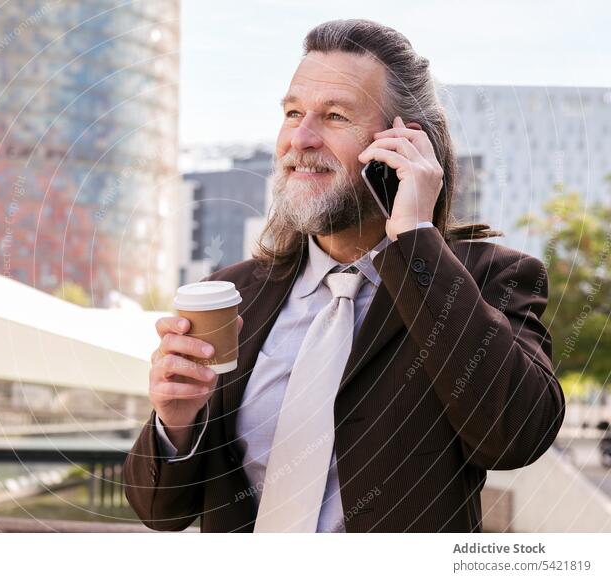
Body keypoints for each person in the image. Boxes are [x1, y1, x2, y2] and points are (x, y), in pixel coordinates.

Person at [123, 18, 565, 532]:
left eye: (334, 116)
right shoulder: (236, 293)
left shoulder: (493, 279)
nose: (301, 138)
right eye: (292, 114)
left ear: (405, 144)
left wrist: (415, 236)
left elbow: (518, 436)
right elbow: (160, 512)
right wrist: (175, 423)